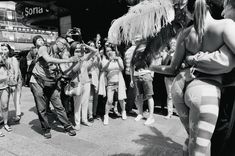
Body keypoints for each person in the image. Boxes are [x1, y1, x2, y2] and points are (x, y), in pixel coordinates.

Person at [150, 0, 235, 155]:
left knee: (192, 138)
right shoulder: (225, 25)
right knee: (200, 147)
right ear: (208, 6)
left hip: (179, 88)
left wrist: (150, 66)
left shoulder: (185, 33)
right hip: (206, 91)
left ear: (189, 12)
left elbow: (171, 69)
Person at [29, 37, 77, 138]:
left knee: (59, 105)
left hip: (51, 83)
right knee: (41, 108)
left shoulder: (58, 55)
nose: (64, 47)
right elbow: (48, 59)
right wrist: (68, 59)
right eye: (63, 44)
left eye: (66, 45)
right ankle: (46, 129)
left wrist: (74, 64)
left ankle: (67, 126)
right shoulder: (44, 48)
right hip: (37, 81)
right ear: (58, 42)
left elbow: (64, 72)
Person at [67, 41, 98, 130]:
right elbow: (74, 70)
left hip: (87, 82)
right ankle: (77, 123)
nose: (78, 52)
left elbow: (95, 51)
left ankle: (84, 120)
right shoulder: (71, 59)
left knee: (85, 103)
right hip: (77, 84)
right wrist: (79, 60)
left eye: (80, 50)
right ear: (72, 51)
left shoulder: (84, 57)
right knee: (77, 105)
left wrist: (86, 46)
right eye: (76, 50)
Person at [130, 35, 156, 126]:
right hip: (137, 76)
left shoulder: (148, 50)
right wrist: (132, 79)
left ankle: (151, 117)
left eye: (138, 39)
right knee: (139, 96)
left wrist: (151, 74)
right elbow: (131, 66)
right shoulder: (135, 52)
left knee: (149, 96)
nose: (137, 41)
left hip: (146, 75)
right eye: (135, 39)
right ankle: (140, 113)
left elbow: (153, 61)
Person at [102, 46, 127, 125]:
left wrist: (117, 60)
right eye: (108, 51)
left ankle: (123, 111)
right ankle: (106, 115)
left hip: (119, 82)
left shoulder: (119, 59)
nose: (110, 52)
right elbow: (103, 69)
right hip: (110, 83)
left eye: (111, 51)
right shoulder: (105, 60)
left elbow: (122, 68)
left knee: (121, 99)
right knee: (109, 101)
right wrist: (109, 61)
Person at [160, 38, 177, 119]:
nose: (173, 44)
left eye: (174, 43)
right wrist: (168, 54)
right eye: (171, 43)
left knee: (178, 95)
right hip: (168, 77)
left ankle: (180, 112)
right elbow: (164, 64)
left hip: (177, 77)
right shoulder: (167, 53)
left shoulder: (179, 53)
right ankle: (169, 113)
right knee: (170, 95)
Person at [0, 43, 12, 136]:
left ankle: (5, 123)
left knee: (4, 106)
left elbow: (10, 71)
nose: (3, 51)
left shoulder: (8, 60)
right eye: (1, 49)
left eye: (5, 49)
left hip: (4, 86)